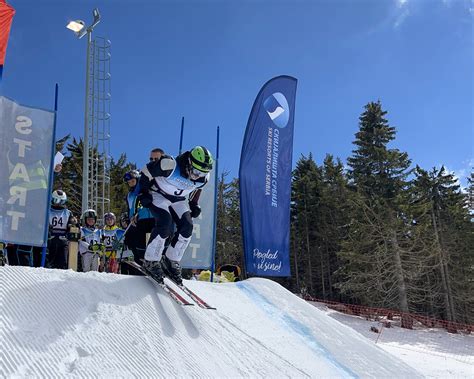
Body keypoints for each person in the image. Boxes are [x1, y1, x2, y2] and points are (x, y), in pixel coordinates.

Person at [138, 145, 213, 284]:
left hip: (177, 200)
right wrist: (143, 192)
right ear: (189, 162)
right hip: (158, 194)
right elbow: (146, 172)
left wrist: (194, 203)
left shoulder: (203, 178)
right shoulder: (169, 164)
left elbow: (197, 188)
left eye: (202, 173)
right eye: (196, 171)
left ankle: (171, 260)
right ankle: (151, 260)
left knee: (188, 227)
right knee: (165, 224)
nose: (197, 175)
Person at [47, 190, 75, 269]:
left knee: (62, 263)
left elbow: (72, 225)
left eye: (61, 201)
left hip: (62, 241)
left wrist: (72, 225)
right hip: (50, 240)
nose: (58, 203)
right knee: (48, 262)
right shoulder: (47, 210)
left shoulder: (68, 212)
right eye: (56, 200)